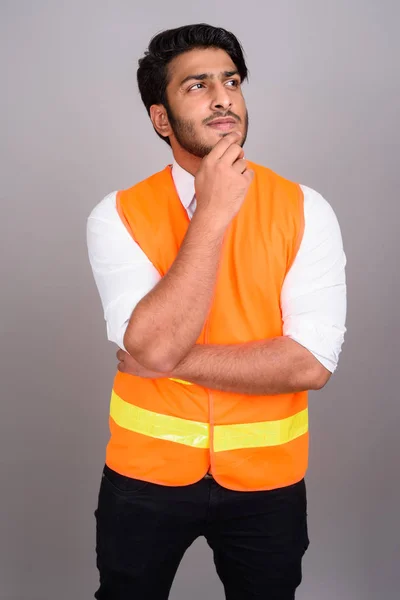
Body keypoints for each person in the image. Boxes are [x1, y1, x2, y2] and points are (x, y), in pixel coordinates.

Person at [86, 23, 347, 600]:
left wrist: (159, 358)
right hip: (144, 477)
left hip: (267, 481)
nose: (223, 96)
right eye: (197, 85)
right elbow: (147, 345)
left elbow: (310, 366)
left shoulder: (306, 209)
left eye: (231, 81)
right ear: (161, 118)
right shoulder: (118, 214)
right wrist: (211, 214)